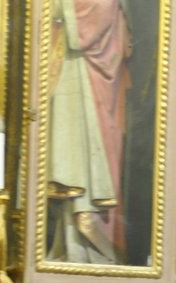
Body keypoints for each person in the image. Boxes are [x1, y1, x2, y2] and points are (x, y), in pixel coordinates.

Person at [47, 0, 131, 263]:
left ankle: (93, 249)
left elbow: (95, 15)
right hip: (73, 71)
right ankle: (69, 246)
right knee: (72, 161)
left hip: (93, 78)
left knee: (89, 165)